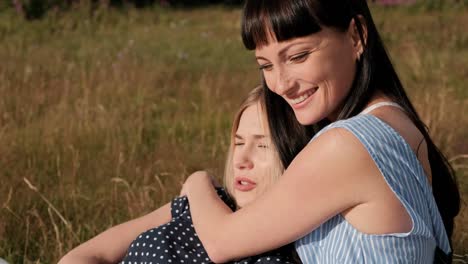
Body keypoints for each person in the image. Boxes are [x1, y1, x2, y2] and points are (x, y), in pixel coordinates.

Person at [179, 0, 461, 263]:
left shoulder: (349, 144)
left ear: (356, 36)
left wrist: (197, 181)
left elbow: (219, 242)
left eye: (298, 56)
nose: (280, 85)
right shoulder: (398, 123)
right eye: (265, 65)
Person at [58, 86, 303, 264]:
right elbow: (86, 255)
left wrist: (198, 180)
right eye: (238, 143)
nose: (242, 160)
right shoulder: (207, 201)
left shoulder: (282, 252)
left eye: (263, 146)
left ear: (295, 154)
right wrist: (200, 184)